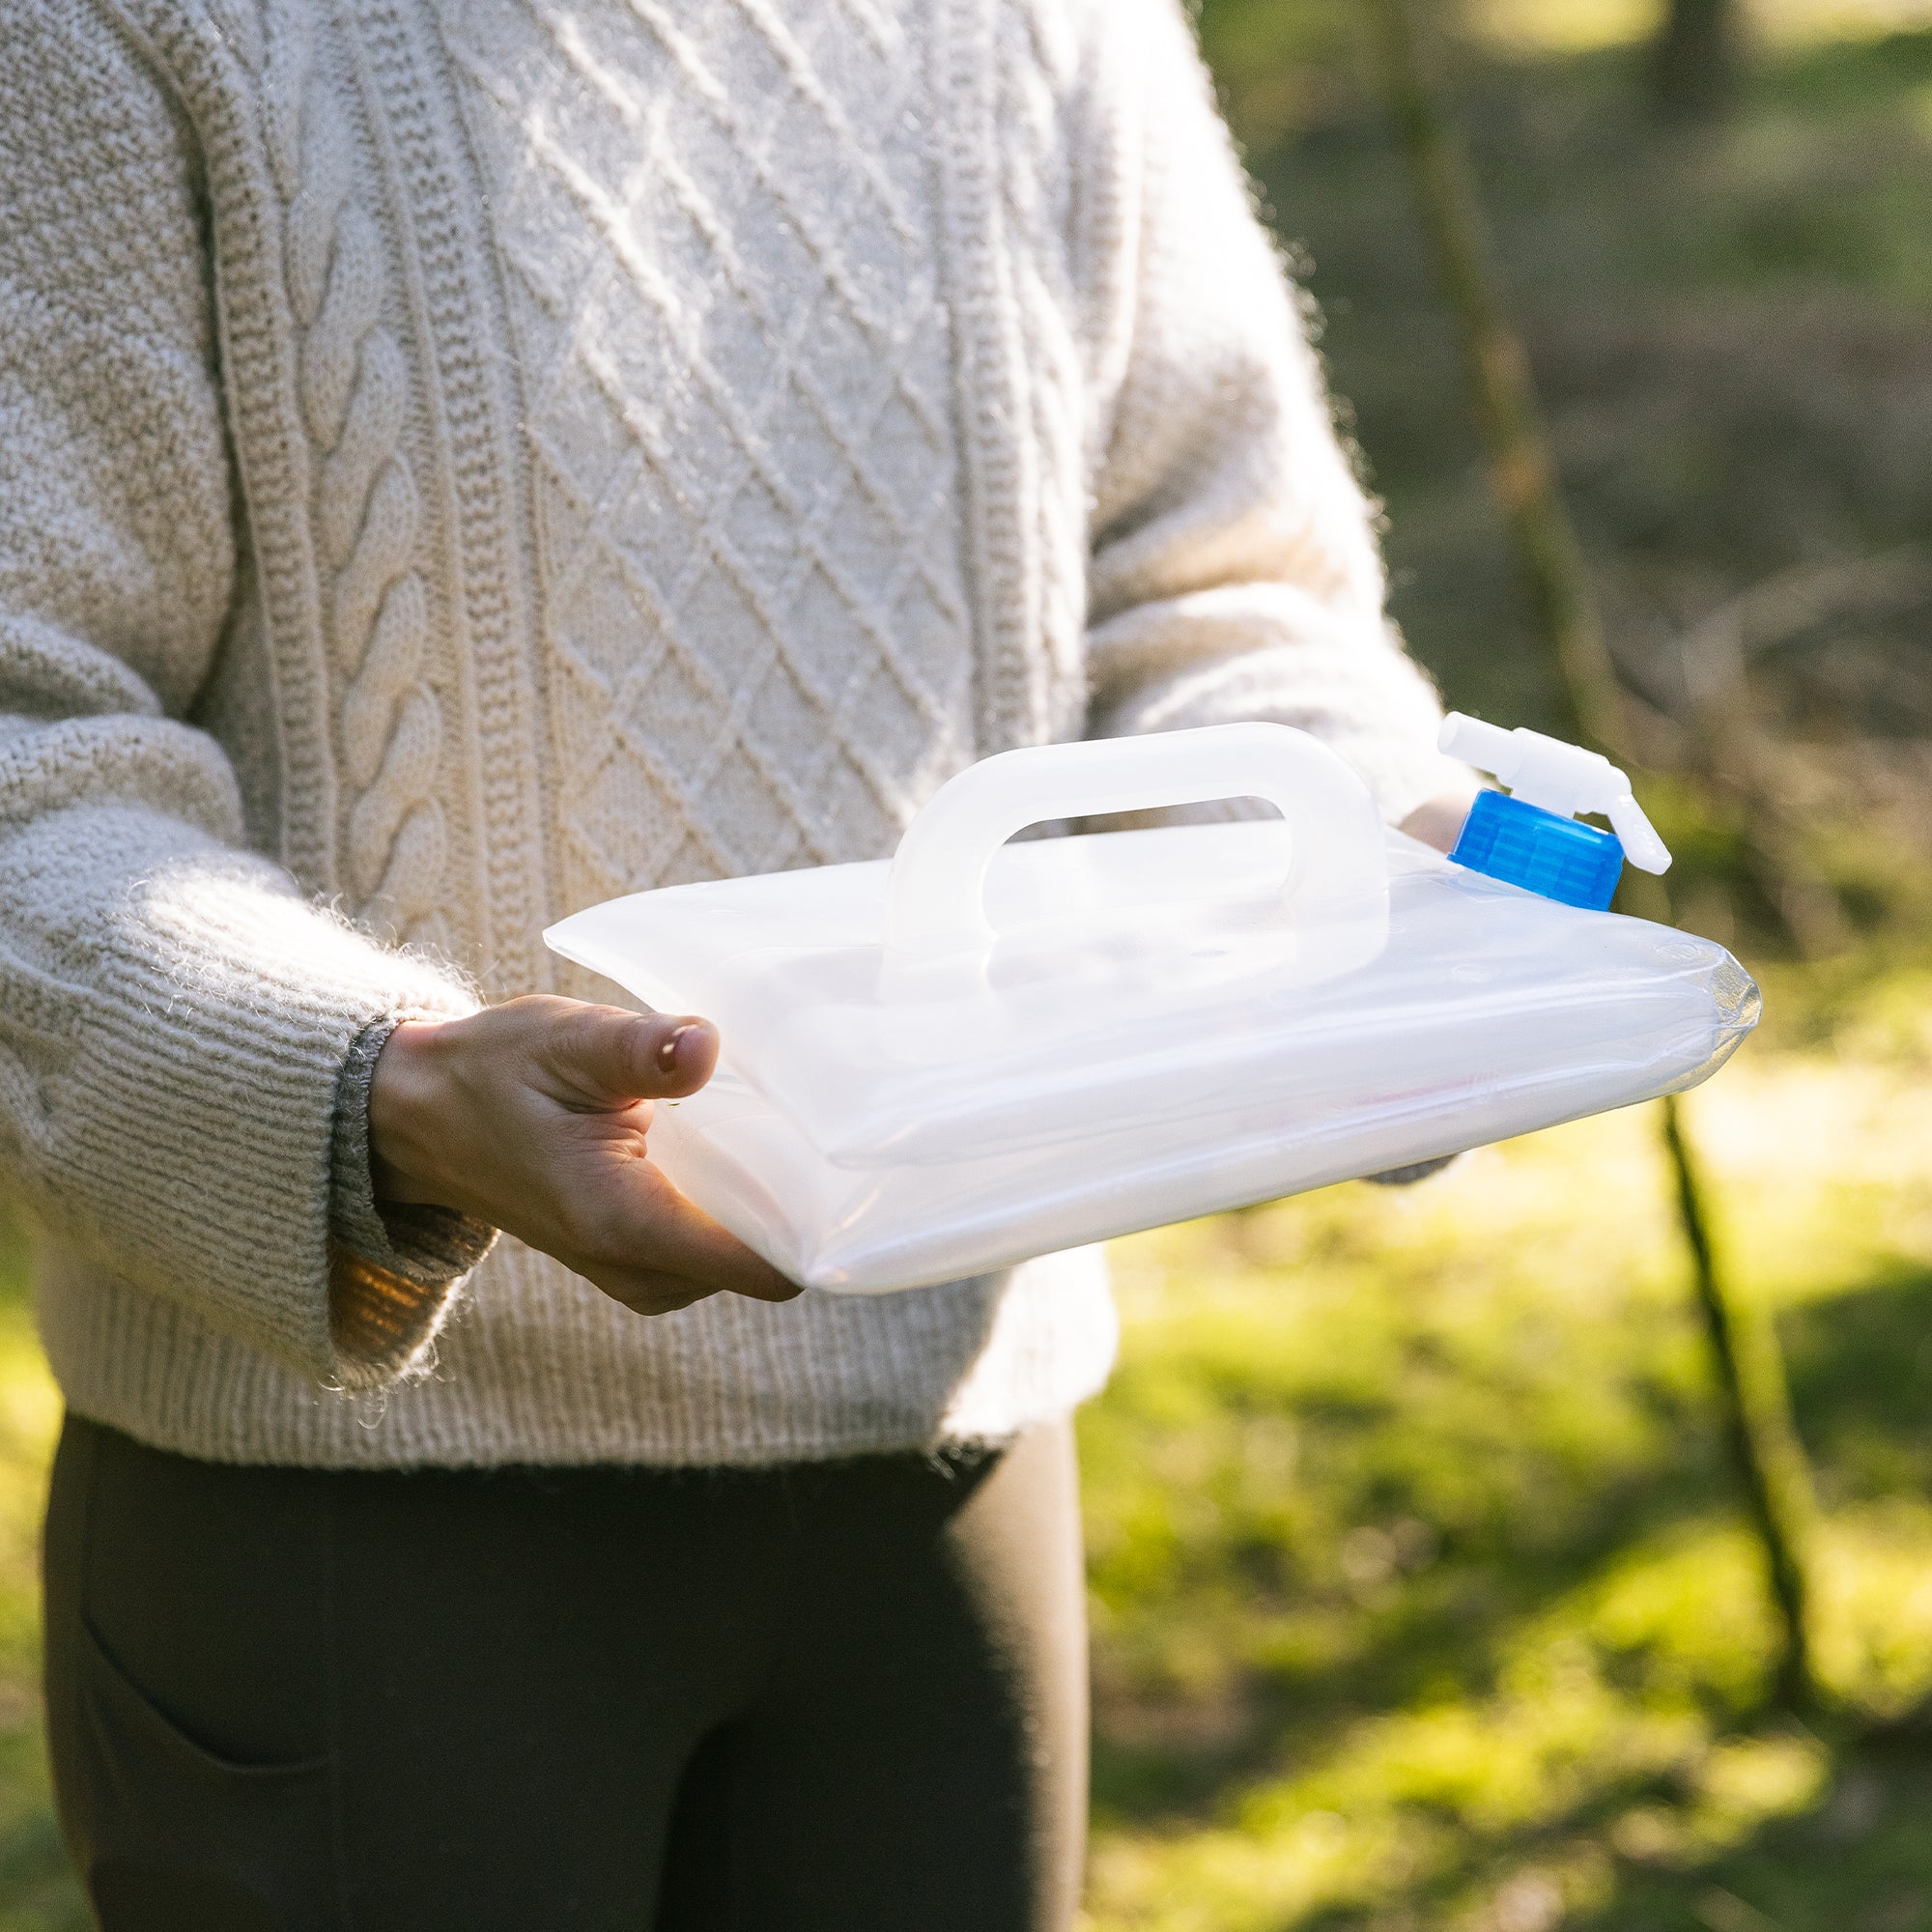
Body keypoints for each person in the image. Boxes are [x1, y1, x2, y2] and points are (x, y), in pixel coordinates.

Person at [0, 0, 1475, 1925]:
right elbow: (31, 745)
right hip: (351, 1528)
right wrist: (390, 1094)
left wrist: (1371, 872)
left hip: (946, 1472)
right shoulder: (114, 32)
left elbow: (1227, 605)